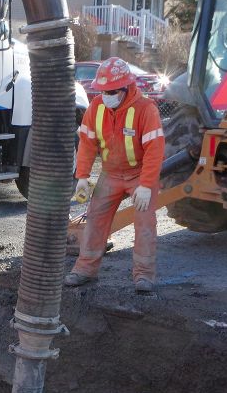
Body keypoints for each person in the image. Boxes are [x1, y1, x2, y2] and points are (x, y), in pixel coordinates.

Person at [64, 57, 165, 292]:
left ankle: (144, 276)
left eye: (111, 91)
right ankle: (85, 270)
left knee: (145, 223)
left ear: (125, 88)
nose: (105, 95)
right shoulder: (97, 107)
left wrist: (147, 185)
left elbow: (155, 150)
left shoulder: (145, 109)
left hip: (140, 173)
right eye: (103, 91)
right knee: (95, 219)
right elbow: (87, 143)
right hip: (111, 173)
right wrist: (82, 177)